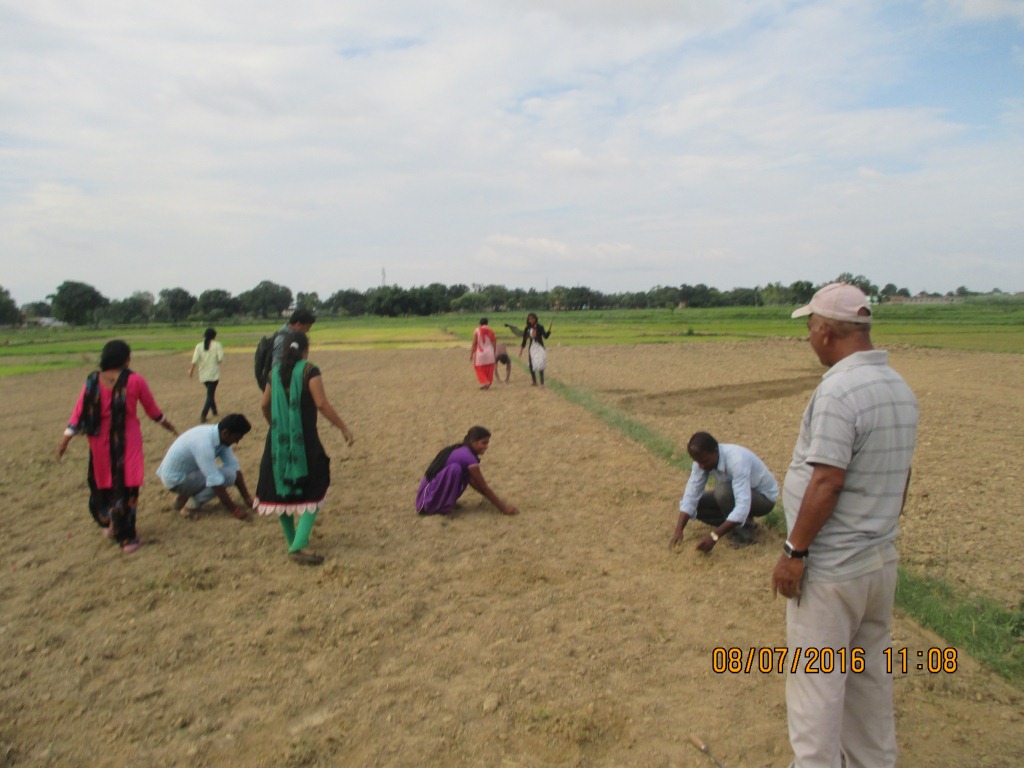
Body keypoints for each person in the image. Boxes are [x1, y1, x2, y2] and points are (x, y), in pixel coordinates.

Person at [771, 282, 918, 768]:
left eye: (810, 327)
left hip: (832, 572)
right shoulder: (897, 386)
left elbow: (828, 481)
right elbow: (902, 477)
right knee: (868, 680)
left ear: (827, 330)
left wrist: (795, 552)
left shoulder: (838, 390)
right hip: (878, 563)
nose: (809, 337)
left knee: (816, 687)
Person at [54, 340, 178, 554]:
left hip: (99, 444)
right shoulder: (135, 380)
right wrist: (170, 427)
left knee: (104, 486)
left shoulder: (92, 381)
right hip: (126, 444)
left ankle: (110, 524)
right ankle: (127, 538)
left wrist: (64, 441)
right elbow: (153, 412)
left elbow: (78, 412)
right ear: (125, 359)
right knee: (126, 488)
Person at [254, 332, 355, 566]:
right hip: (305, 439)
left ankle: (294, 541)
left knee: (280, 489)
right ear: (306, 350)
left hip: (277, 440)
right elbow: (321, 403)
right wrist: (343, 428)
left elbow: (264, 404)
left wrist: (274, 424)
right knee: (317, 482)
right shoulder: (310, 371)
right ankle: (299, 544)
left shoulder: (273, 373)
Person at [670, 431, 778, 552]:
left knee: (723, 492)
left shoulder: (736, 460)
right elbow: (691, 495)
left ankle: (744, 536)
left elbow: (743, 505)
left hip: (764, 499)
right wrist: (679, 530)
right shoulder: (701, 462)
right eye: (698, 462)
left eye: (704, 461)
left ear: (715, 451)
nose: (701, 466)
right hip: (739, 494)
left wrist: (714, 536)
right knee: (696, 505)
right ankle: (737, 525)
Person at [155, 414, 255, 521]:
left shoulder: (219, 435)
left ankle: (182, 497)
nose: (237, 442)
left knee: (230, 474)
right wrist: (234, 510)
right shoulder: (204, 444)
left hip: (184, 474)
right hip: (176, 480)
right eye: (237, 438)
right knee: (228, 476)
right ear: (226, 433)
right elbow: (215, 481)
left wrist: (247, 498)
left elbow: (234, 467)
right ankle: (190, 506)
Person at [416, 426, 518, 516]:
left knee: (460, 471)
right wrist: (503, 508)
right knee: (455, 469)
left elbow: (473, 482)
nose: (486, 446)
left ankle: (445, 502)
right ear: (474, 442)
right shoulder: (468, 457)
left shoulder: (462, 450)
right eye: (484, 443)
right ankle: (439, 505)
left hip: (427, 496)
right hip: (425, 501)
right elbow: (483, 487)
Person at [188, 327, 224, 423]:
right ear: (214, 336)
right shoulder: (217, 345)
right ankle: (203, 415)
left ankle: (215, 411)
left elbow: (194, 359)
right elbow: (220, 359)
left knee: (210, 393)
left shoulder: (199, 346)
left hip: (203, 374)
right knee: (210, 395)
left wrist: (191, 370)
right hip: (213, 373)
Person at [519, 313, 552, 386]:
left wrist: (549, 329)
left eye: (532, 318)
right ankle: (534, 381)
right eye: (529, 319)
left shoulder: (540, 327)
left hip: (539, 347)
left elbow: (545, 336)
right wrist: (521, 350)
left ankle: (542, 382)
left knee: (540, 363)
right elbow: (524, 340)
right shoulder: (527, 328)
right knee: (531, 364)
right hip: (532, 347)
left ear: (535, 319)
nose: (530, 320)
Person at [470, 317, 498, 389]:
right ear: (487, 323)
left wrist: (471, 353)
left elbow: (474, 343)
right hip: (490, 352)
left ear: (480, 324)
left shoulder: (477, 331)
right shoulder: (491, 331)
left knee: (479, 368)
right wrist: (494, 352)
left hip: (480, 352)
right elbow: (494, 343)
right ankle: (488, 384)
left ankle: (485, 381)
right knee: (489, 368)